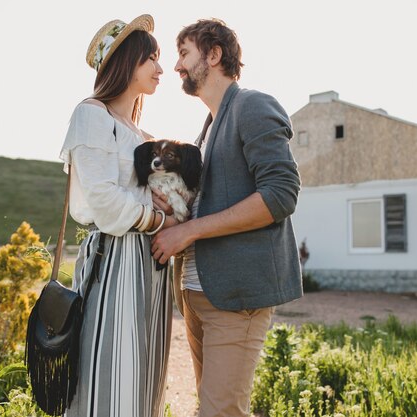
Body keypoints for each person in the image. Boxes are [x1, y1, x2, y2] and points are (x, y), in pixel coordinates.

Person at [150, 18, 303, 417]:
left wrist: (189, 231)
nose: (177, 66)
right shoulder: (206, 127)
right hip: (199, 296)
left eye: (184, 53)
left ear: (213, 54)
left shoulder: (252, 106)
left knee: (220, 413)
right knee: (215, 408)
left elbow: (281, 194)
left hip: (237, 298)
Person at [59, 14, 177, 417]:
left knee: (144, 377)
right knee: (112, 375)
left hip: (152, 264)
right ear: (126, 62)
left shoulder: (142, 134)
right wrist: (162, 221)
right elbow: (107, 205)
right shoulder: (92, 115)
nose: (161, 69)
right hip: (115, 259)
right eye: (151, 59)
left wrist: (168, 212)